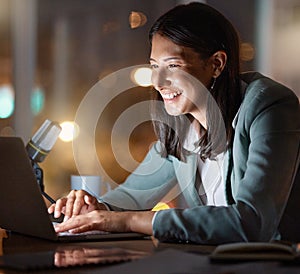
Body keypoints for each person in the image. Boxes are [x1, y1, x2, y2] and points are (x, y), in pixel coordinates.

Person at [49, 2, 300, 244]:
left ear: (216, 64)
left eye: (173, 66)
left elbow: (251, 223)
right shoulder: (182, 126)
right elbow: (132, 196)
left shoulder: (268, 106)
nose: (159, 81)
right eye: (154, 66)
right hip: (221, 262)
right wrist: (96, 208)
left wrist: (126, 221)